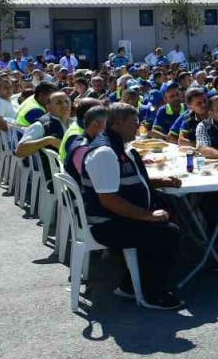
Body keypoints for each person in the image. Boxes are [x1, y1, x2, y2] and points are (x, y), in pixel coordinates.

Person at [74, 102, 184, 310]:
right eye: (134, 123)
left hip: (119, 218)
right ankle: (153, 295)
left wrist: (162, 182)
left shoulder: (119, 147)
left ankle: (130, 285)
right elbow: (109, 199)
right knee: (167, 232)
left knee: (169, 211)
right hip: (105, 225)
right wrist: (146, 216)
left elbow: (130, 180)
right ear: (116, 123)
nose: (138, 126)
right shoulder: (105, 152)